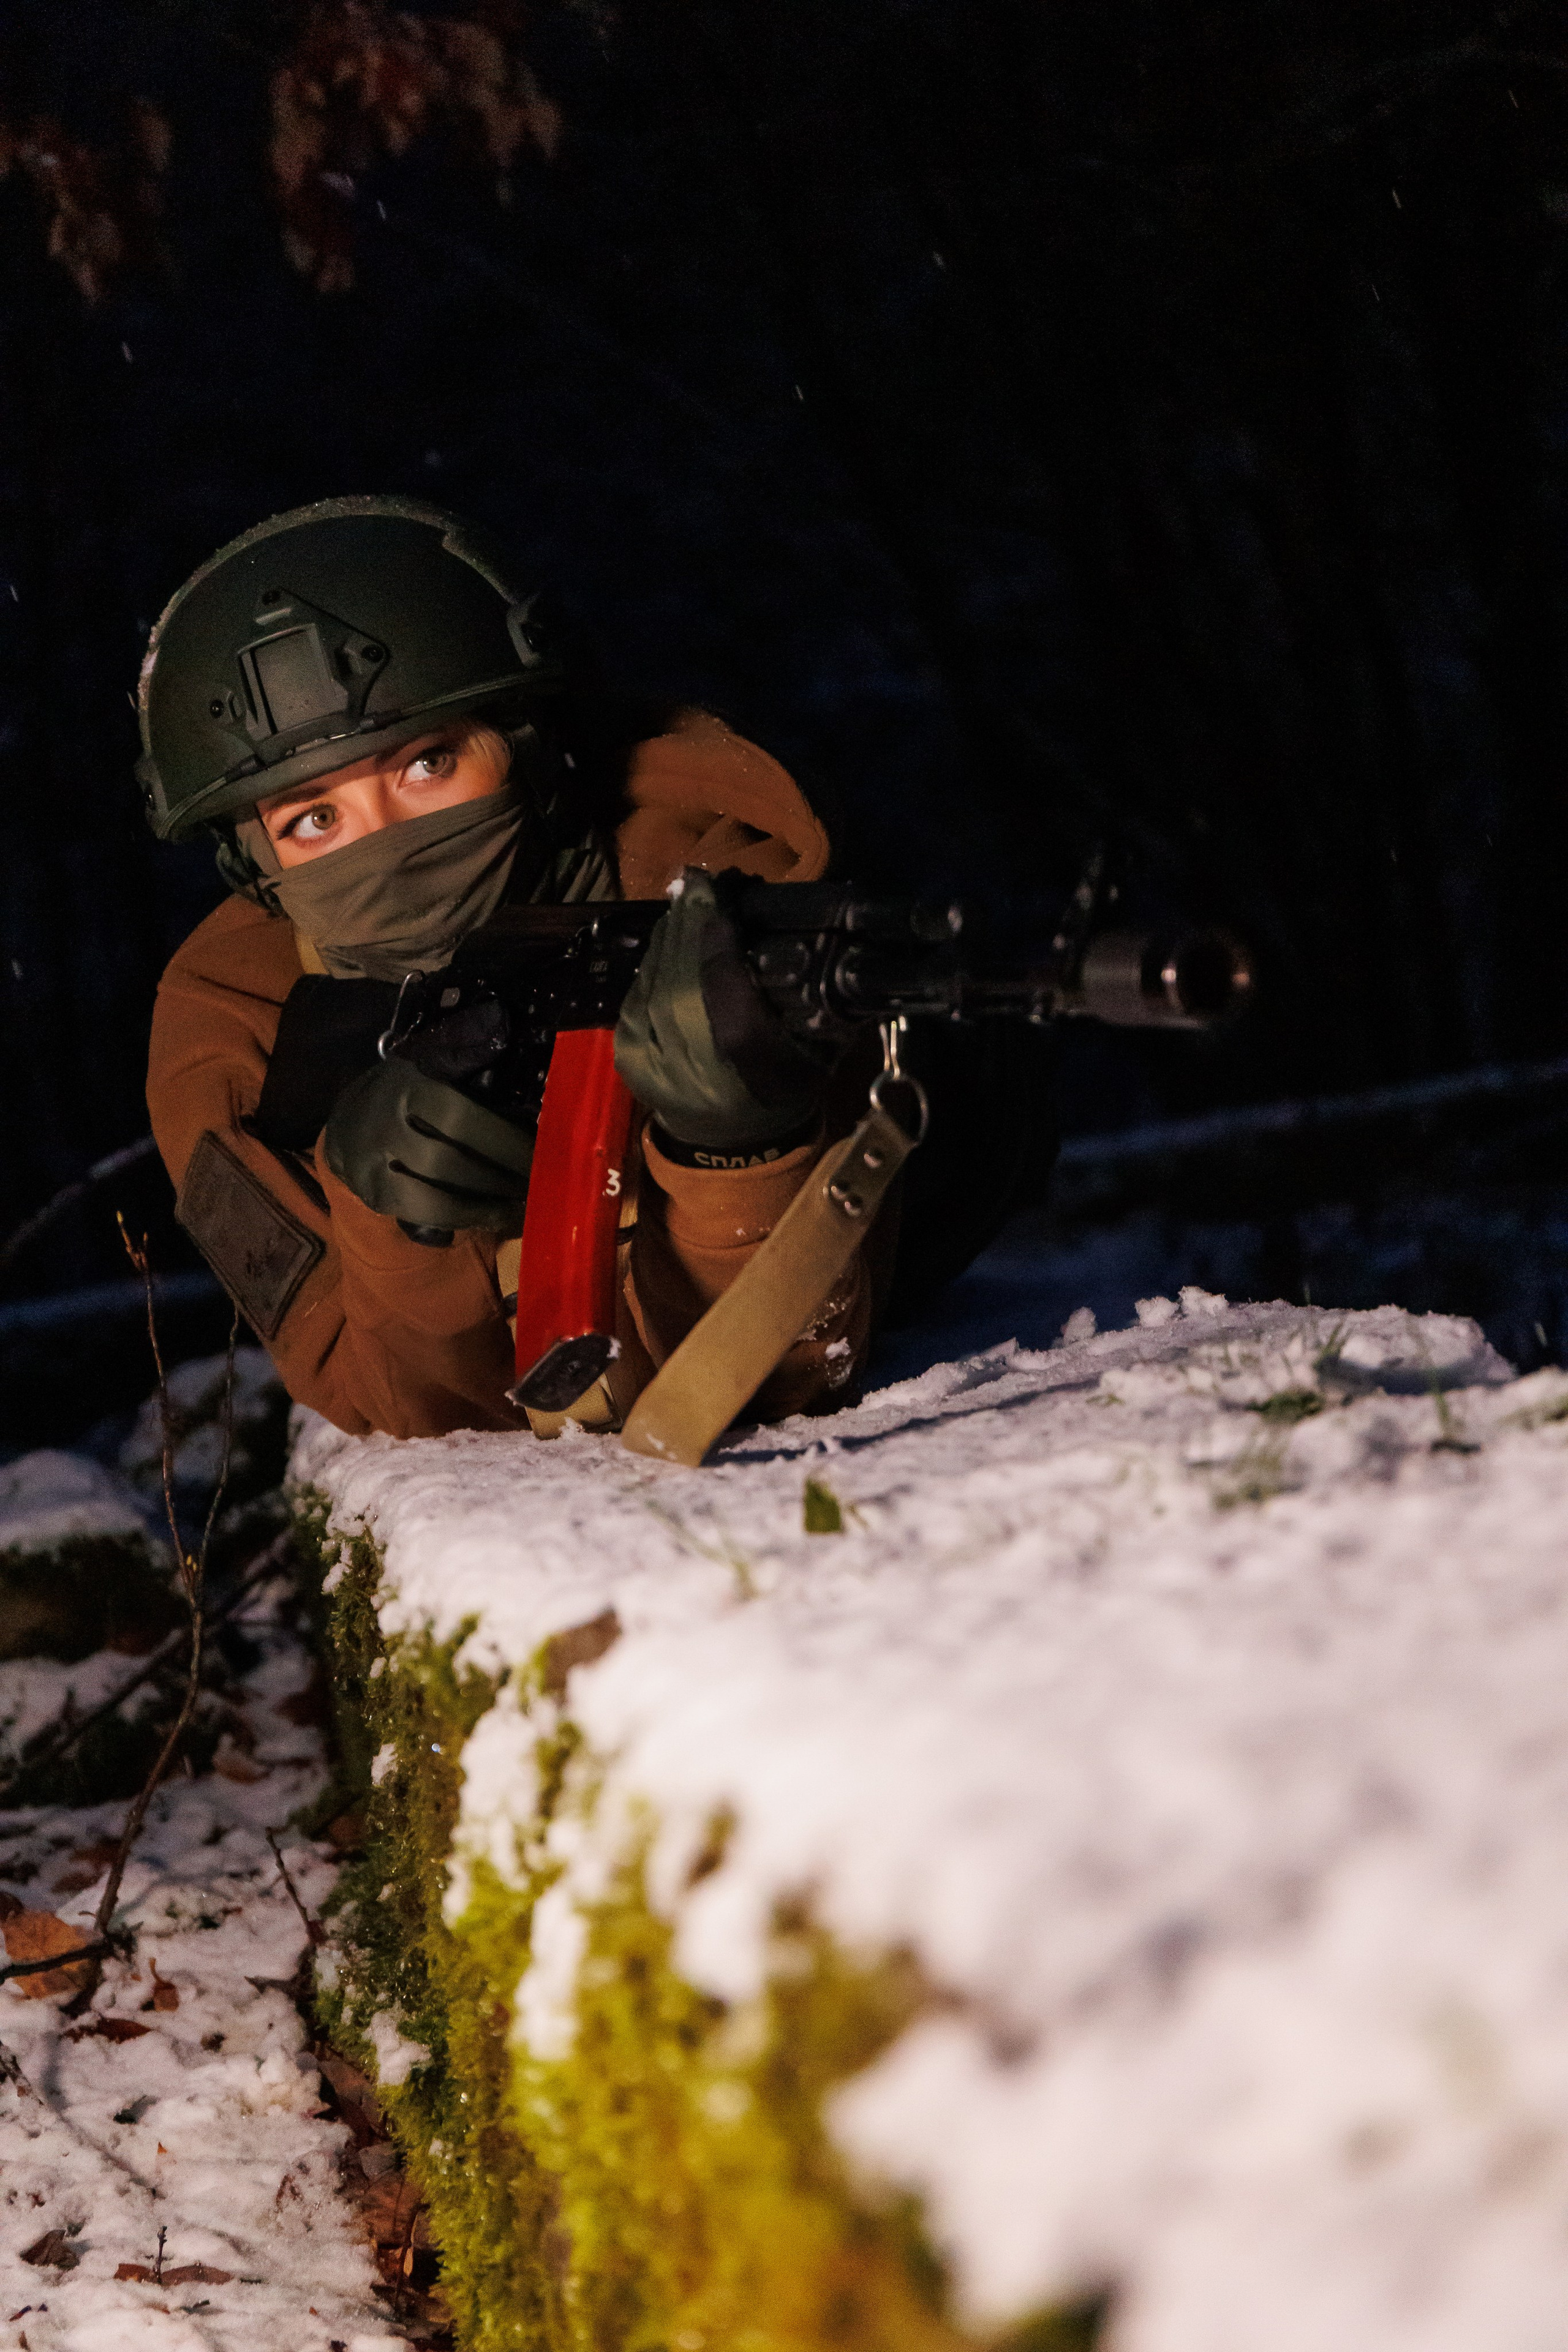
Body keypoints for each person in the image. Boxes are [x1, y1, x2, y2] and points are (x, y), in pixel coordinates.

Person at [139, 496, 884, 1441]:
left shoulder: (730, 892)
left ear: (530, 753)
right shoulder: (234, 1032)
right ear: (257, 867)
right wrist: (394, 1231)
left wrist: (738, 1151)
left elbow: (793, 1379)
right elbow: (389, 1406)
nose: (390, 846)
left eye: (427, 765)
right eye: (314, 819)